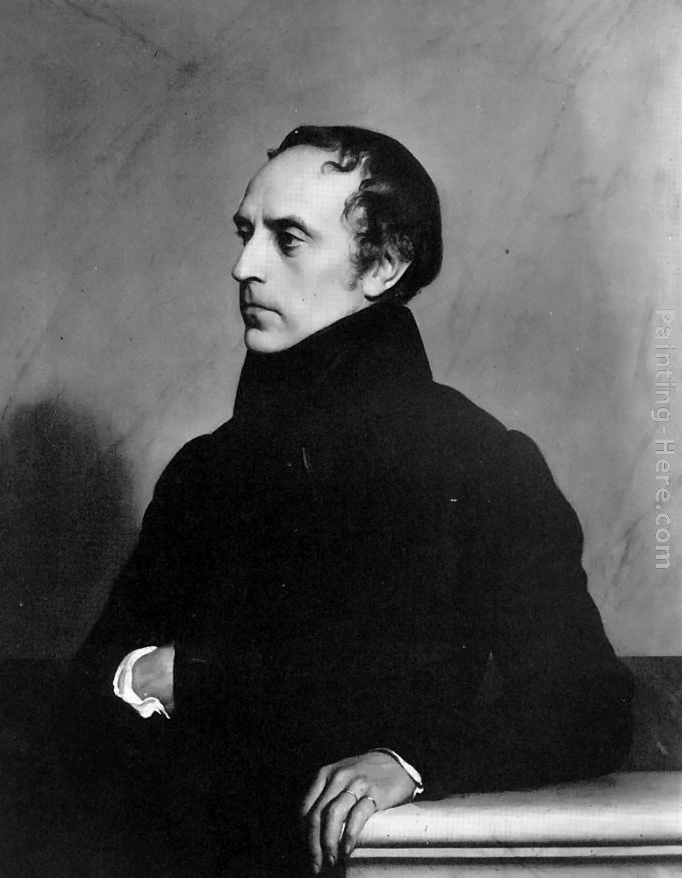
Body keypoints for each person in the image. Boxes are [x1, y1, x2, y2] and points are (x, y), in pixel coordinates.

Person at [64, 126, 634, 876]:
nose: (244, 266)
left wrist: (411, 760)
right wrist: (145, 679)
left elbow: (588, 705)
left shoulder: (478, 463)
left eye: (288, 239)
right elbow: (83, 708)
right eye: (245, 233)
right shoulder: (205, 471)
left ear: (385, 264)